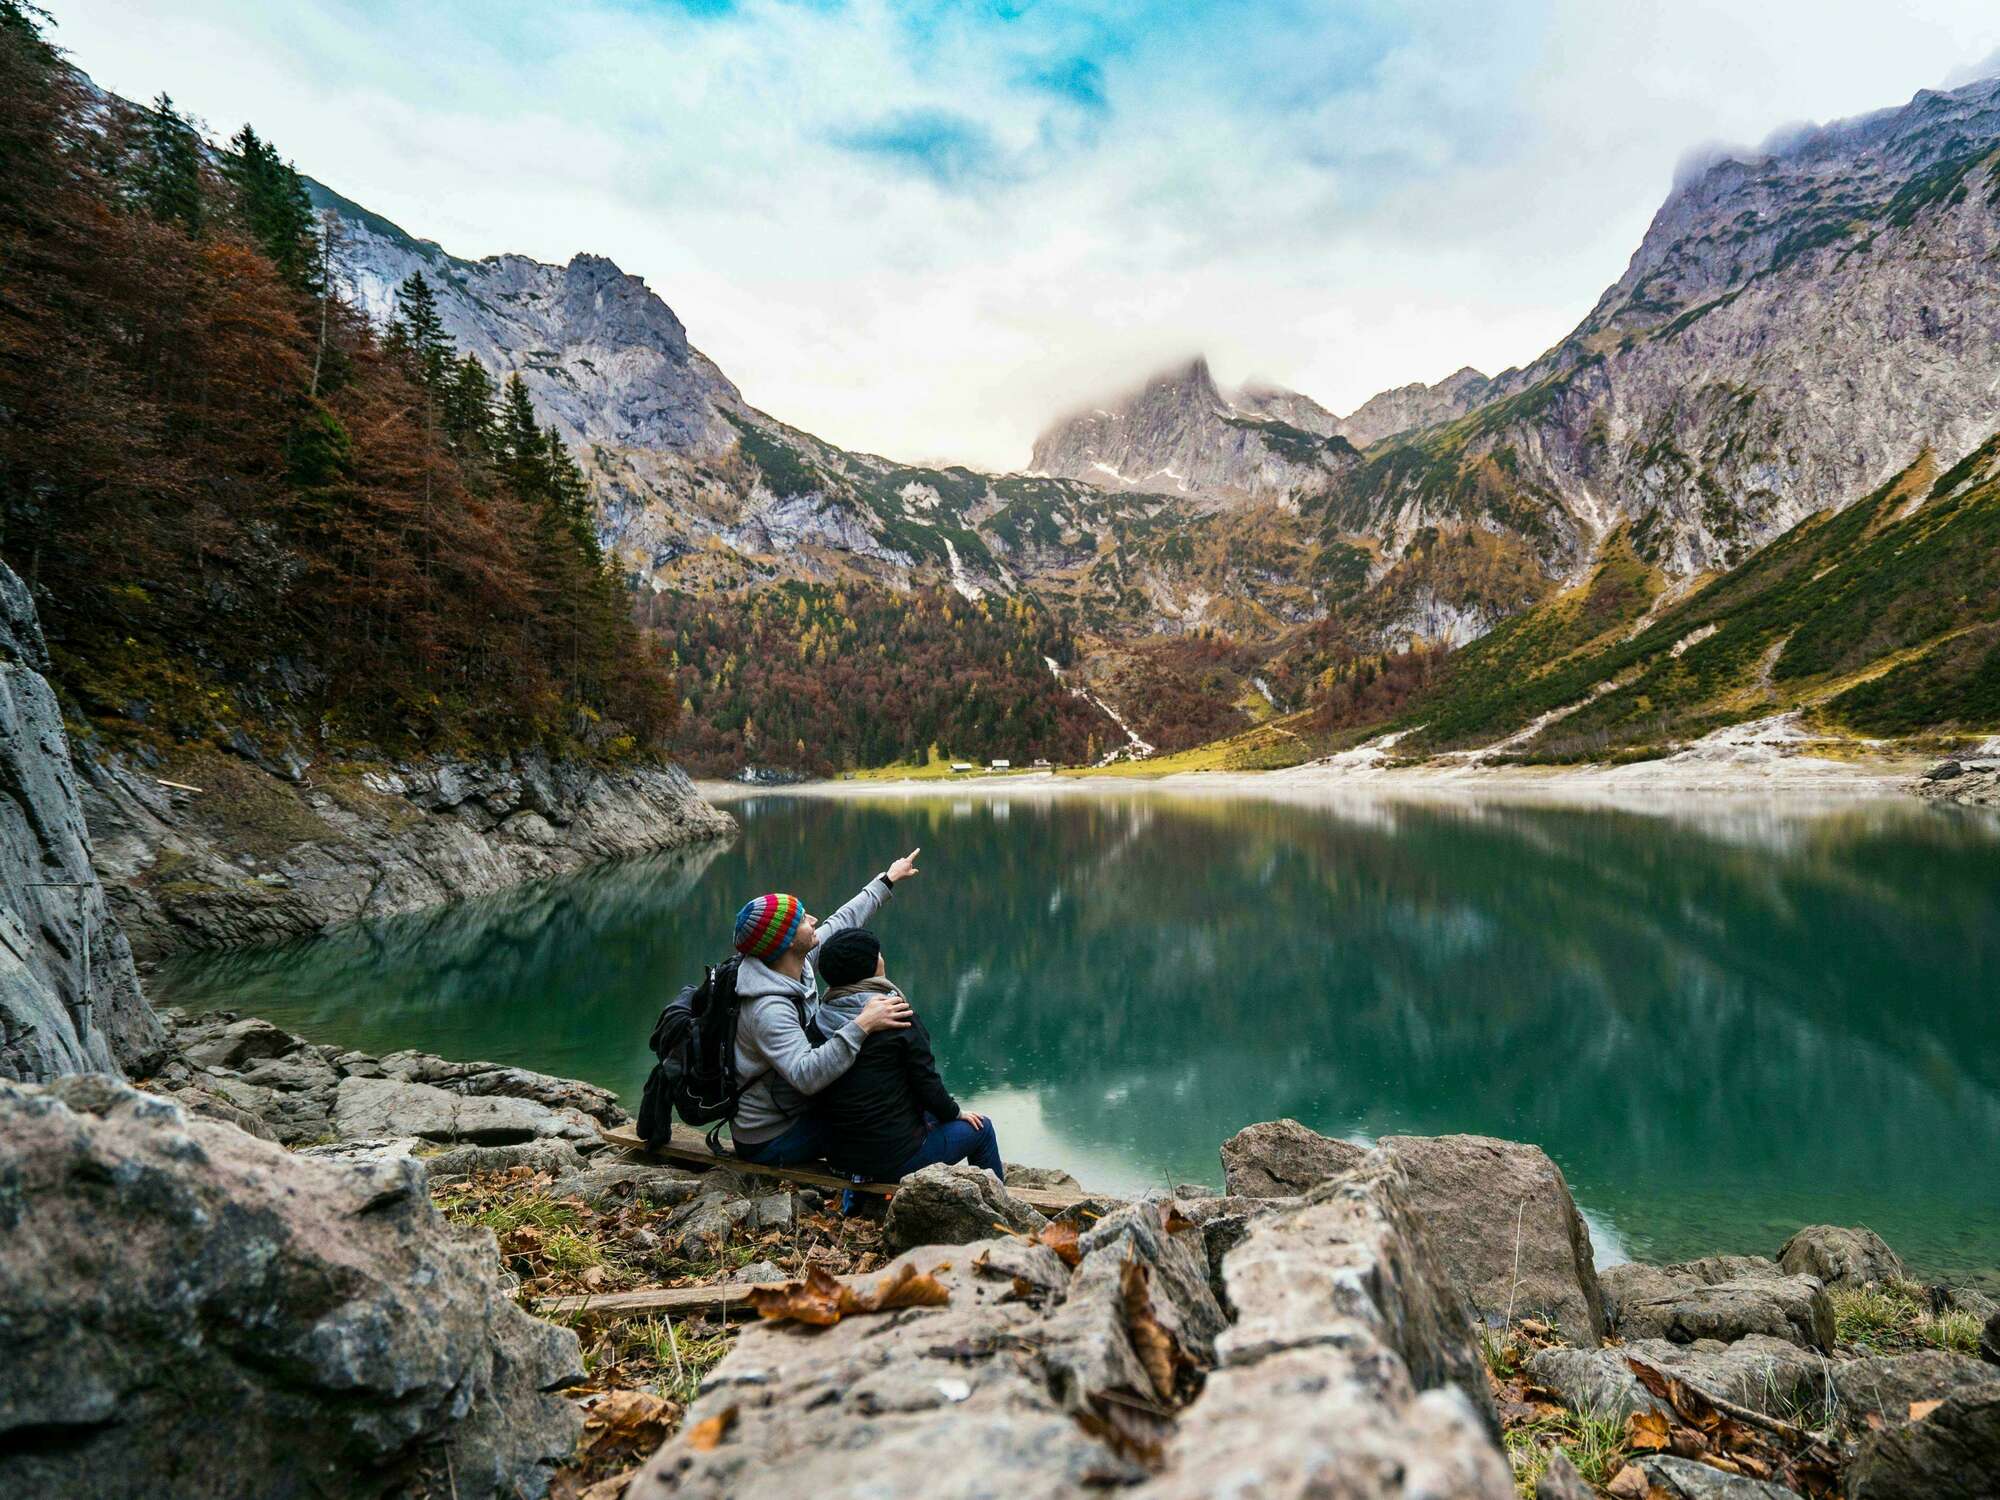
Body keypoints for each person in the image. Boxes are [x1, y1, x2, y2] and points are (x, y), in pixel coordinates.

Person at [726, 850, 921, 1167]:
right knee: (882, 1120)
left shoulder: (794, 962)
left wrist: (888, 879)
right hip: (771, 1135)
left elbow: (842, 920)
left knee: (887, 1107)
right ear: (787, 941)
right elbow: (806, 1075)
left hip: (793, 1107)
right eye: (803, 920)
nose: (814, 920)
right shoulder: (767, 1009)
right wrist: (863, 1024)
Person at [812, 926, 1002, 1184]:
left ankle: (855, 1200)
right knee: (981, 1129)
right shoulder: (897, 1017)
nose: (882, 958)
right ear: (870, 967)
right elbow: (926, 1082)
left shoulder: (820, 1017)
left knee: (921, 1112)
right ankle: (999, 1206)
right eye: (878, 954)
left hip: (839, 1159)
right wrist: (956, 1114)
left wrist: (947, 1111)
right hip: (891, 1162)